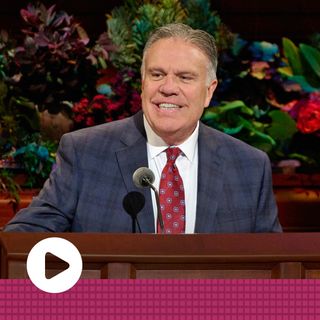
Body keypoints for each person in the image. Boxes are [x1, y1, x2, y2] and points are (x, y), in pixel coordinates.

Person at [4, 23, 282, 233]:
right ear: (143, 82)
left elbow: (274, 266)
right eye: (157, 74)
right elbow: (22, 239)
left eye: (185, 77)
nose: (168, 89)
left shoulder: (249, 167)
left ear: (209, 92)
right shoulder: (85, 153)